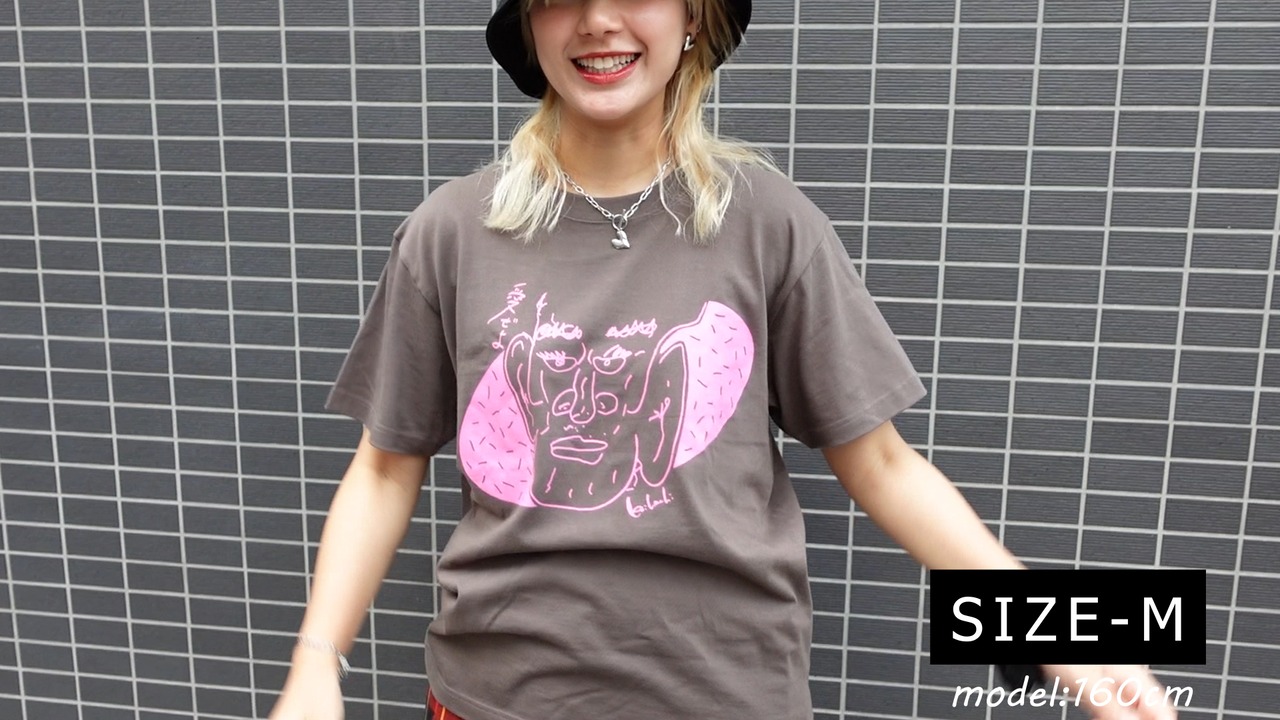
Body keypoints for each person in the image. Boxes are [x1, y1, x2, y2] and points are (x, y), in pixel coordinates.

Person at [268, 1, 1178, 719]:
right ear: (531, 26)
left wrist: (1059, 634)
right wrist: (315, 665)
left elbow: (885, 464)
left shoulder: (769, 224)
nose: (598, 21)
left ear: (694, 16)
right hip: (495, 698)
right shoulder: (451, 233)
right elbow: (384, 470)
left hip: (728, 693)